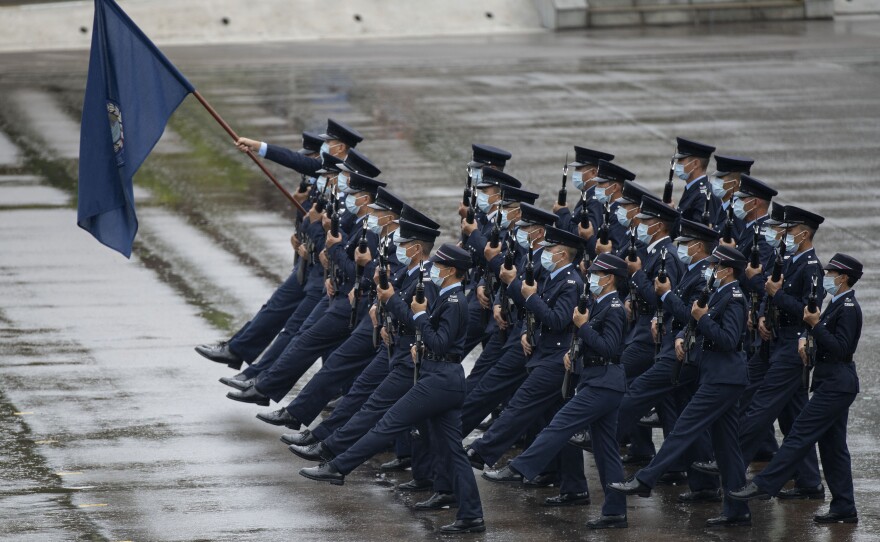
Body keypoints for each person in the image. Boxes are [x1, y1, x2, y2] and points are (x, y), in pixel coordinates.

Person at [299, 244, 486, 534]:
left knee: (386, 424)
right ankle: (472, 515)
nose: (433, 269)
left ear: (450, 271)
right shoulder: (449, 298)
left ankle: (337, 467)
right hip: (441, 377)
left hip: (439, 382)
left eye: (438, 266)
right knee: (452, 451)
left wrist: (421, 317)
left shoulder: (455, 302)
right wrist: (419, 344)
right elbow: (438, 343)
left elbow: (440, 342)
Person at [609, 245, 752, 528]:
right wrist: (688, 329)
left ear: (728, 270)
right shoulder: (721, 293)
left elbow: (728, 339)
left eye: (716, 266)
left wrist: (702, 319)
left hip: (724, 378)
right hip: (718, 376)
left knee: (683, 428)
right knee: (726, 447)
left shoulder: (734, 297)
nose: (711, 269)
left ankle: (645, 479)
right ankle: (737, 511)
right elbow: (699, 322)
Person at [484, 253, 629, 528]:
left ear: (609, 278)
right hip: (599, 379)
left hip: (603, 383)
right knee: (606, 450)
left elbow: (610, 348)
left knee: (558, 425)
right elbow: (592, 341)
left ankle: (520, 468)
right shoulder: (601, 303)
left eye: (597, 273)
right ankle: (615, 511)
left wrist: (583, 327)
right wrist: (577, 351)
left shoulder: (614, 307)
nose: (591, 278)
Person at [730, 253, 863, 525]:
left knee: (800, 433)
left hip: (838, 383)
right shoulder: (837, 304)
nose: (827, 278)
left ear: (844, 278)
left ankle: (764, 485)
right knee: (833, 447)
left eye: (831, 274)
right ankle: (844, 506)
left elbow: (841, 348)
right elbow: (817, 328)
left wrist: (814, 326)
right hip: (831, 381)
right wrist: (806, 336)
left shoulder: (848, 307)